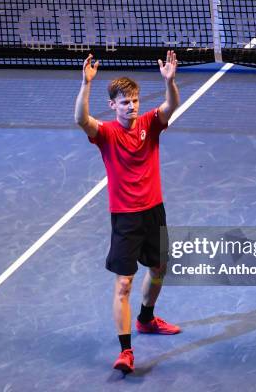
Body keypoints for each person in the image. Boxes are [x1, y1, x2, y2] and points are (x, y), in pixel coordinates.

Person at [74, 51, 181, 373]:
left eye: (134, 101)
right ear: (113, 106)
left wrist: (170, 82)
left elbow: (171, 106)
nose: (132, 106)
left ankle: (146, 319)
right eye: (125, 102)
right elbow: (81, 119)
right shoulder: (106, 134)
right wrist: (85, 84)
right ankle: (126, 351)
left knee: (160, 268)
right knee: (124, 284)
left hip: (154, 212)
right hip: (125, 217)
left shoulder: (150, 124)